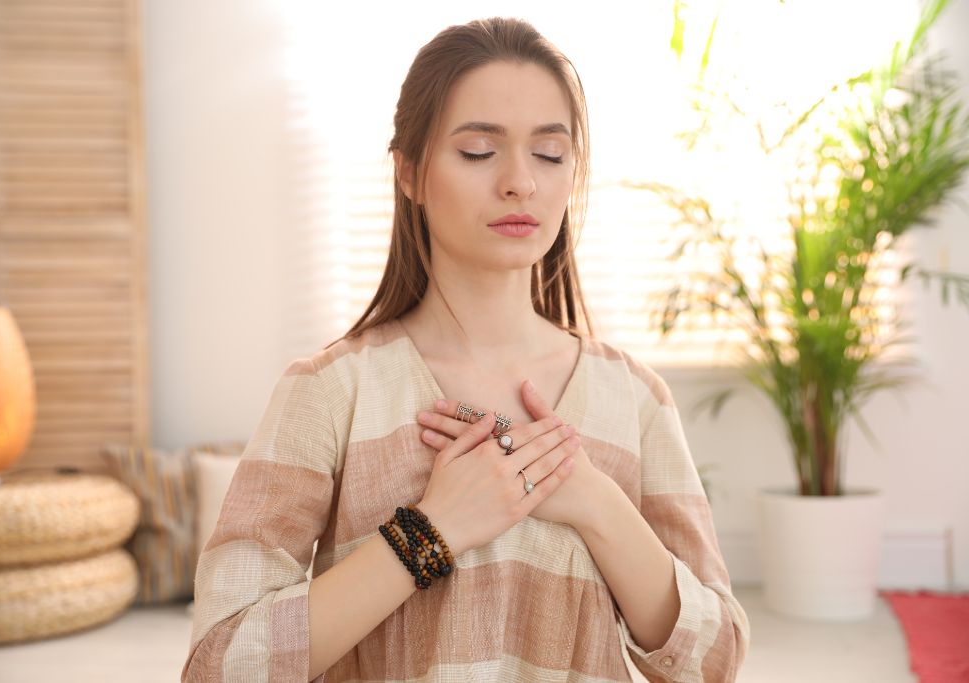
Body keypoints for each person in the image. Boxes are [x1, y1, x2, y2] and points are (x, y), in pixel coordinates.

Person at [183, 16, 749, 683]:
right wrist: (429, 531)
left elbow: (714, 661)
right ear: (411, 174)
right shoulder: (330, 391)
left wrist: (595, 502)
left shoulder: (635, 399)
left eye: (549, 153)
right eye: (479, 150)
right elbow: (221, 663)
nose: (519, 182)